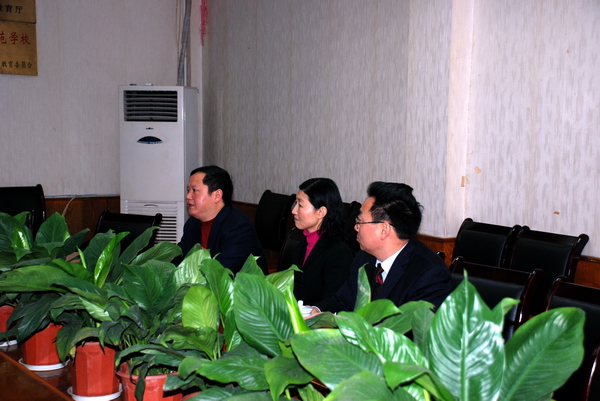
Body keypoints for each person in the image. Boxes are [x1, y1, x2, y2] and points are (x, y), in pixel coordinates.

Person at [313, 181, 452, 314]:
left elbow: (415, 327)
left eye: (360, 221)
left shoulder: (429, 274)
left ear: (384, 229)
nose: (356, 227)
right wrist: (316, 310)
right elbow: (342, 301)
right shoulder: (364, 258)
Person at [178, 165, 268, 274]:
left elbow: (223, 272)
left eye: (194, 190)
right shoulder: (193, 223)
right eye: (188, 190)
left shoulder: (239, 227)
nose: (188, 196)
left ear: (217, 195)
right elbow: (180, 258)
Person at [290, 178, 354, 305]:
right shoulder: (301, 245)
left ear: (321, 212)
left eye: (300, 205)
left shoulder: (339, 252)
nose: (294, 211)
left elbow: (334, 301)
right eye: (295, 203)